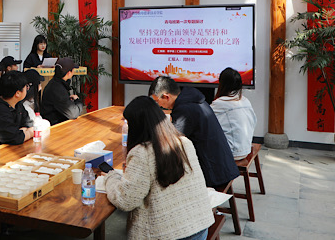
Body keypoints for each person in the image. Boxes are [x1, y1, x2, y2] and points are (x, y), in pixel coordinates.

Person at [104, 96, 214, 240]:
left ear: (137, 126)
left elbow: (126, 200)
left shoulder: (142, 153)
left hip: (167, 234)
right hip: (200, 226)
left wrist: (110, 178)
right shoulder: (184, 142)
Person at [149, 76, 239, 188]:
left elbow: (172, 141)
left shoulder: (184, 109)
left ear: (166, 97)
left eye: (157, 102)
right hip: (224, 167)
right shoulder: (193, 100)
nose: (159, 106)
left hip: (214, 174)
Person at [211, 68, 257, 160]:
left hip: (231, 153)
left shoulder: (219, 104)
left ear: (221, 84)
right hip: (246, 149)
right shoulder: (245, 101)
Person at [0, 71, 34, 145]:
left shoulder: (17, 104)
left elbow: (28, 123)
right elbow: (14, 138)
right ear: (17, 93)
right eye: (26, 87)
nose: (27, 89)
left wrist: (22, 132)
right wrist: (30, 133)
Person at [40, 57, 83, 125]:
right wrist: (77, 101)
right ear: (69, 73)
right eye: (73, 70)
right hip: (54, 126)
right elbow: (73, 114)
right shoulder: (57, 89)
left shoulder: (55, 83)